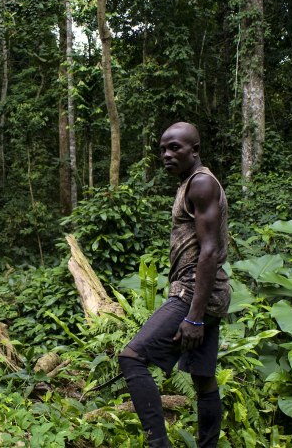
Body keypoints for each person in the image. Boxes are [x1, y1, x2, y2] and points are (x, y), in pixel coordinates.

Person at [118, 122, 230, 447]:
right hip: (208, 292)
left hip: (195, 291)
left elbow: (208, 251)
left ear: (194, 150)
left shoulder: (201, 184)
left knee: (132, 358)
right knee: (204, 379)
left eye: (175, 148)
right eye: (163, 149)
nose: (167, 154)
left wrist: (194, 317)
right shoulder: (190, 184)